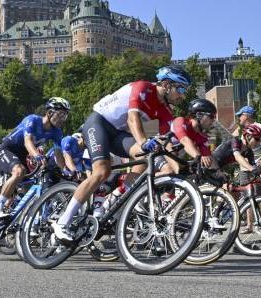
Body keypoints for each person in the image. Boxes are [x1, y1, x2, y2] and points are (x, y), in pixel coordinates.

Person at [52, 65, 190, 242]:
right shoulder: (143, 88)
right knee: (102, 171)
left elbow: (167, 141)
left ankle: (115, 199)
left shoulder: (165, 111)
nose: (182, 95)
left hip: (119, 135)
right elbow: (133, 119)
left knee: (148, 155)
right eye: (180, 89)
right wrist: (143, 142)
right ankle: (62, 222)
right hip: (99, 123)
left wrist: (179, 166)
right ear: (166, 84)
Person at [0, 97, 70, 220]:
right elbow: (28, 142)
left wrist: (65, 169)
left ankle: (17, 220)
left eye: (65, 116)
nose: (62, 119)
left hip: (22, 155)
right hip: (7, 150)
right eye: (60, 115)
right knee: (19, 171)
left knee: (30, 188)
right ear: (49, 113)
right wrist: (37, 155)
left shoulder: (57, 132)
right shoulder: (32, 120)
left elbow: (58, 154)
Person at [158, 99, 217, 175]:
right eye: (211, 116)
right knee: (170, 171)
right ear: (199, 114)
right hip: (155, 151)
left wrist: (218, 173)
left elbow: (208, 157)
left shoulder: (201, 137)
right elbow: (184, 140)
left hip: (169, 158)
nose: (213, 120)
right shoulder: (180, 121)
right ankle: (145, 185)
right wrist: (198, 156)